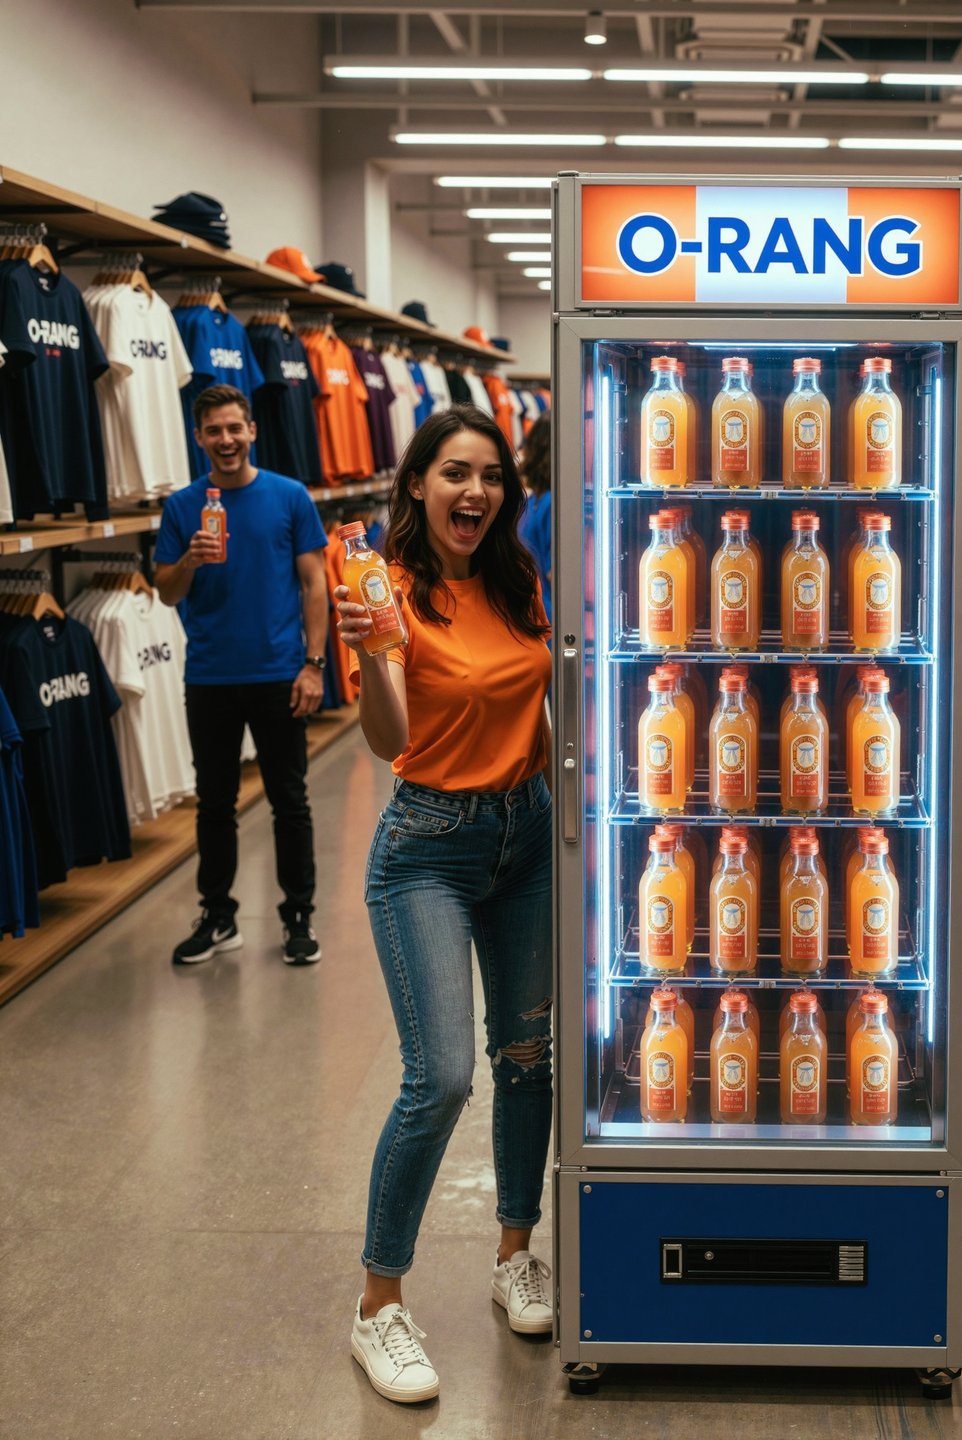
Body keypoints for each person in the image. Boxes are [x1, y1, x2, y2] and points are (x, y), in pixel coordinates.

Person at [335, 405, 554, 1404]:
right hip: (428, 843)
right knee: (443, 1077)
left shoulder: (518, 581)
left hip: (529, 835)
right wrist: (374, 659)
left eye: (493, 477)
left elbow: (542, 704)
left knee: (525, 1056)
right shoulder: (386, 593)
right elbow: (389, 740)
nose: (476, 492)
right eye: (456, 473)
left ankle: (516, 1253)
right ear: (419, 482)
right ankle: (379, 1306)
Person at [155, 384, 329, 966]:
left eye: (235, 428)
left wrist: (313, 664)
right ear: (199, 437)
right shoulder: (182, 507)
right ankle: (218, 915)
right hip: (209, 676)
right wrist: (189, 560)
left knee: (289, 799)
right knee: (214, 803)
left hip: (280, 673)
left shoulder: (289, 497)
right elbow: (165, 592)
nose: (225, 440)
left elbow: (315, 584)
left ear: (252, 430)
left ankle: (298, 915)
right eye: (213, 431)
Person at [517, 413, 552, 625]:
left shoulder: (531, 503)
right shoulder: (554, 505)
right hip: (551, 618)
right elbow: (557, 574)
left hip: (533, 616)